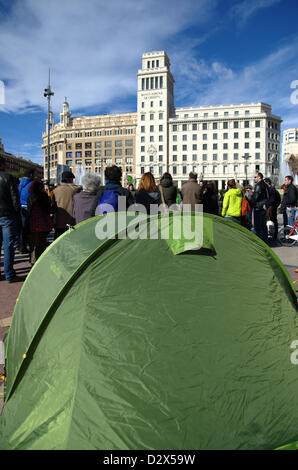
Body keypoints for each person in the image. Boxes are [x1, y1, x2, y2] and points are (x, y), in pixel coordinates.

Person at [0, 156, 21, 282]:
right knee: (8, 246)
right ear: (2, 164)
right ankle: (9, 275)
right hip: (8, 216)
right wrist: (17, 213)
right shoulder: (8, 178)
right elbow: (15, 198)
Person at [27, 179, 54, 266]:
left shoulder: (30, 196)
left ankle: (32, 261)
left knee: (33, 244)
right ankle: (39, 263)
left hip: (32, 223)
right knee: (41, 244)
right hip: (42, 223)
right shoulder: (43, 196)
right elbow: (48, 210)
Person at [52, 171, 80, 238]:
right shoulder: (75, 189)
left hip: (59, 222)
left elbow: (53, 207)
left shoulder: (55, 190)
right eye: (72, 179)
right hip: (72, 221)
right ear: (69, 179)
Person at [18, 168, 35, 253]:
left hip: (21, 207)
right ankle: (30, 245)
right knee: (30, 228)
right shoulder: (32, 183)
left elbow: (18, 194)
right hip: (30, 207)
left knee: (23, 228)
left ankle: (22, 246)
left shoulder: (21, 183)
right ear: (31, 175)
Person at [251, 172, 269, 243]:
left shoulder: (258, 185)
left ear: (259, 177)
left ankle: (259, 242)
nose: (254, 178)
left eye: (255, 177)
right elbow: (268, 196)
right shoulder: (265, 185)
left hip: (258, 207)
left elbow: (256, 198)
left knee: (258, 226)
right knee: (263, 225)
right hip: (263, 207)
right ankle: (265, 241)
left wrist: (250, 200)